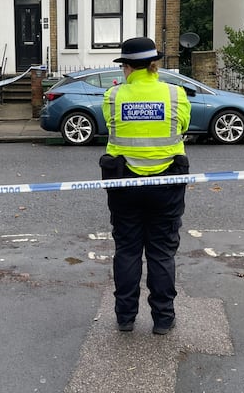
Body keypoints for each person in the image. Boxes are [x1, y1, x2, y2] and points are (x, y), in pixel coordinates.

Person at [99, 36, 191, 335]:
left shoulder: (112, 97)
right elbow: (184, 127)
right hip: (167, 183)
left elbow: (111, 126)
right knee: (162, 252)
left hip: (124, 182)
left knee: (127, 250)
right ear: (154, 65)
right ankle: (163, 320)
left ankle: (125, 318)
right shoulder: (176, 94)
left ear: (126, 67)